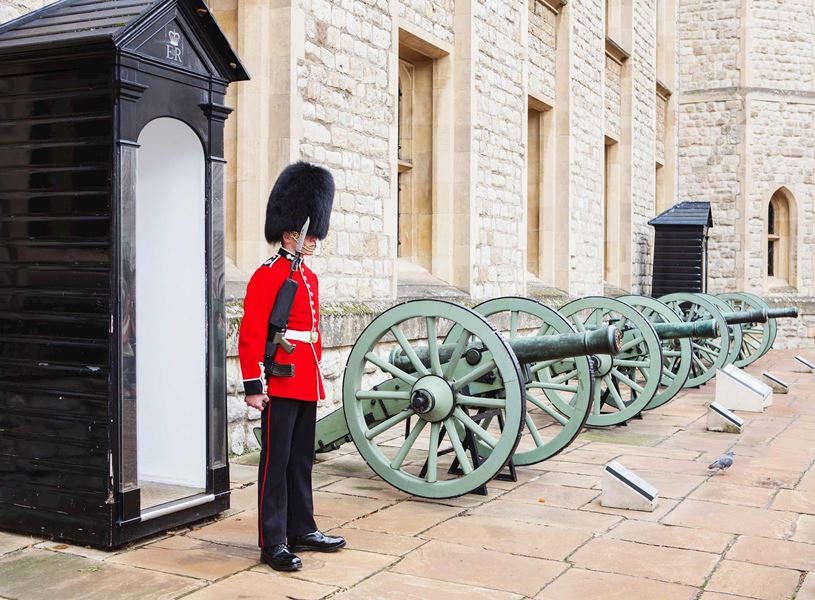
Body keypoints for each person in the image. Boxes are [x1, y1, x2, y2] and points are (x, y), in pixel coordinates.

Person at [238, 161, 345, 571]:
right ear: (289, 233)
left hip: (305, 380)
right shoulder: (266, 276)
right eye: (309, 232)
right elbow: (250, 334)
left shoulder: (310, 278)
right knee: (275, 463)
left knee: (302, 459)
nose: (315, 239)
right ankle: (273, 540)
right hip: (280, 382)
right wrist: (253, 385)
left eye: (317, 232)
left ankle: (302, 527)